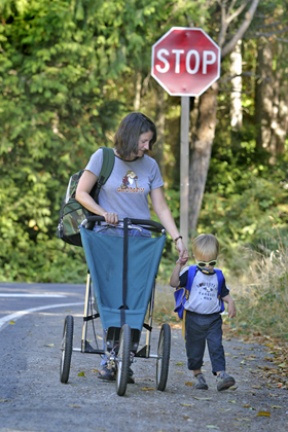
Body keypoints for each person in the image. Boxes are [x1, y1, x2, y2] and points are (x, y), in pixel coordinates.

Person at [76, 111, 188, 382]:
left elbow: (160, 206)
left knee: (136, 297)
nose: (147, 147)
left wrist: (177, 237)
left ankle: (125, 355)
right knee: (112, 295)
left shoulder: (149, 166)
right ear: (129, 136)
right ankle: (110, 355)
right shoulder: (102, 157)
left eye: (150, 142)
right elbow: (80, 193)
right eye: (144, 141)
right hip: (107, 237)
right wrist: (103, 213)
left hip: (139, 240)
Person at [170, 233, 236, 391]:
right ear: (195, 258)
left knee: (216, 346)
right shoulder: (191, 272)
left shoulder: (218, 276)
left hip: (213, 319)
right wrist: (179, 265)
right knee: (194, 350)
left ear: (217, 258)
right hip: (193, 318)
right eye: (202, 263)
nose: (207, 266)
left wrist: (231, 302)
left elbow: (223, 293)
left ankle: (221, 376)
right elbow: (174, 283)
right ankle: (198, 376)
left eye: (211, 263)